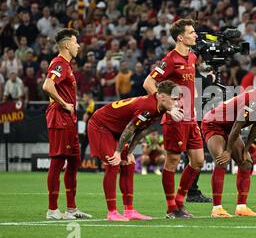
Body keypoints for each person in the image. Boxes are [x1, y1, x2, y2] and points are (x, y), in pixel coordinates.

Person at [87, 80, 182, 221]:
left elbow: (142, 130)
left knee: (129, 164)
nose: (176, 103)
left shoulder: (160, 108)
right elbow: (130, 128)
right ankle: (112, 212)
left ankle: (129, 211)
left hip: (116, 130)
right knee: (113, 163)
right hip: (101, 126)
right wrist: (119, 152)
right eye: (174, 99)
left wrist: (130, 151)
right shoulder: (148, 107)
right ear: (162, 96)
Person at [143, 18, 207, 219]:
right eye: (191, 32)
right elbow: (149, 82)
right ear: (180, 37)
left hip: (191, 118)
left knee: (198, 161)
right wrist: (166, 106)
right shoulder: (170, 60)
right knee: (172, 161)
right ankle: (172, 207)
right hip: (175, 119)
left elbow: (188, 83)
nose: (195, 35)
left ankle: (180, 202)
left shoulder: (193, 57)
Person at [201, 81, 256, 217]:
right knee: (222, 160)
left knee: (246, 163)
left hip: (230, 127)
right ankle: (216, 209)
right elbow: (237, 126)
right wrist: (228, 151)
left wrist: (245, 150)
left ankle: (241, 207)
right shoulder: (252, 101)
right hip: (213, 124)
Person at [42, 28, 91, 220]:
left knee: (73, 161)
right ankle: (52, 210)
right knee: (57, 161)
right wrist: (63, 103)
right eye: (76, 42)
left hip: (69, 118)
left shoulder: (68, 65)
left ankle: (71, 209)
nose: (78, 45)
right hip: (60, 117)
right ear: (67, 45)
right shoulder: (59, 63)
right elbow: (47, 86)